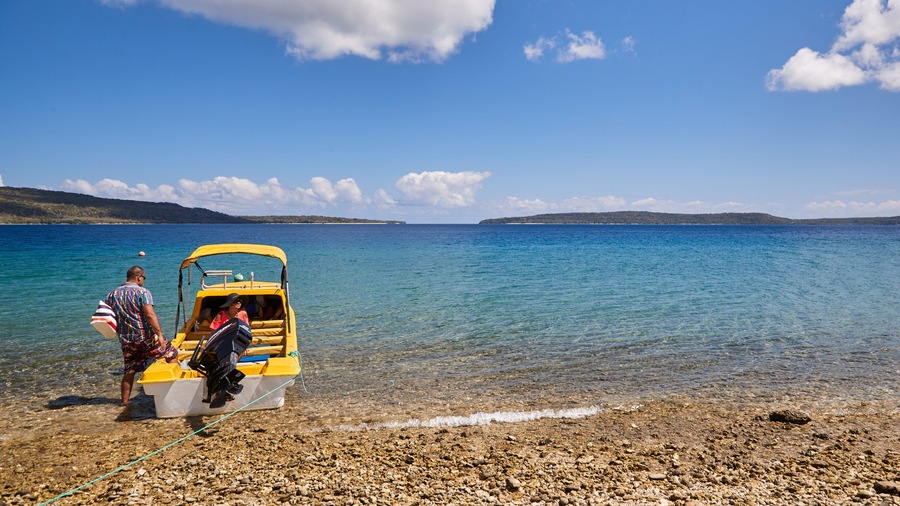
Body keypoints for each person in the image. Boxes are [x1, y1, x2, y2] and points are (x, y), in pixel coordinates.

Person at [106, 265, 178, 406]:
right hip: (145, 338)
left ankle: (124, 403)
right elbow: (149, 314)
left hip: (127, 340)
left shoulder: (112, 294)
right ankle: (171, 397)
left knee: (130, 370)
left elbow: (108, 317)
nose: (143, 281)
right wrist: (160, 335)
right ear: (139, 277)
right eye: (143, 278)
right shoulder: (143, 292)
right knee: (172, 354)